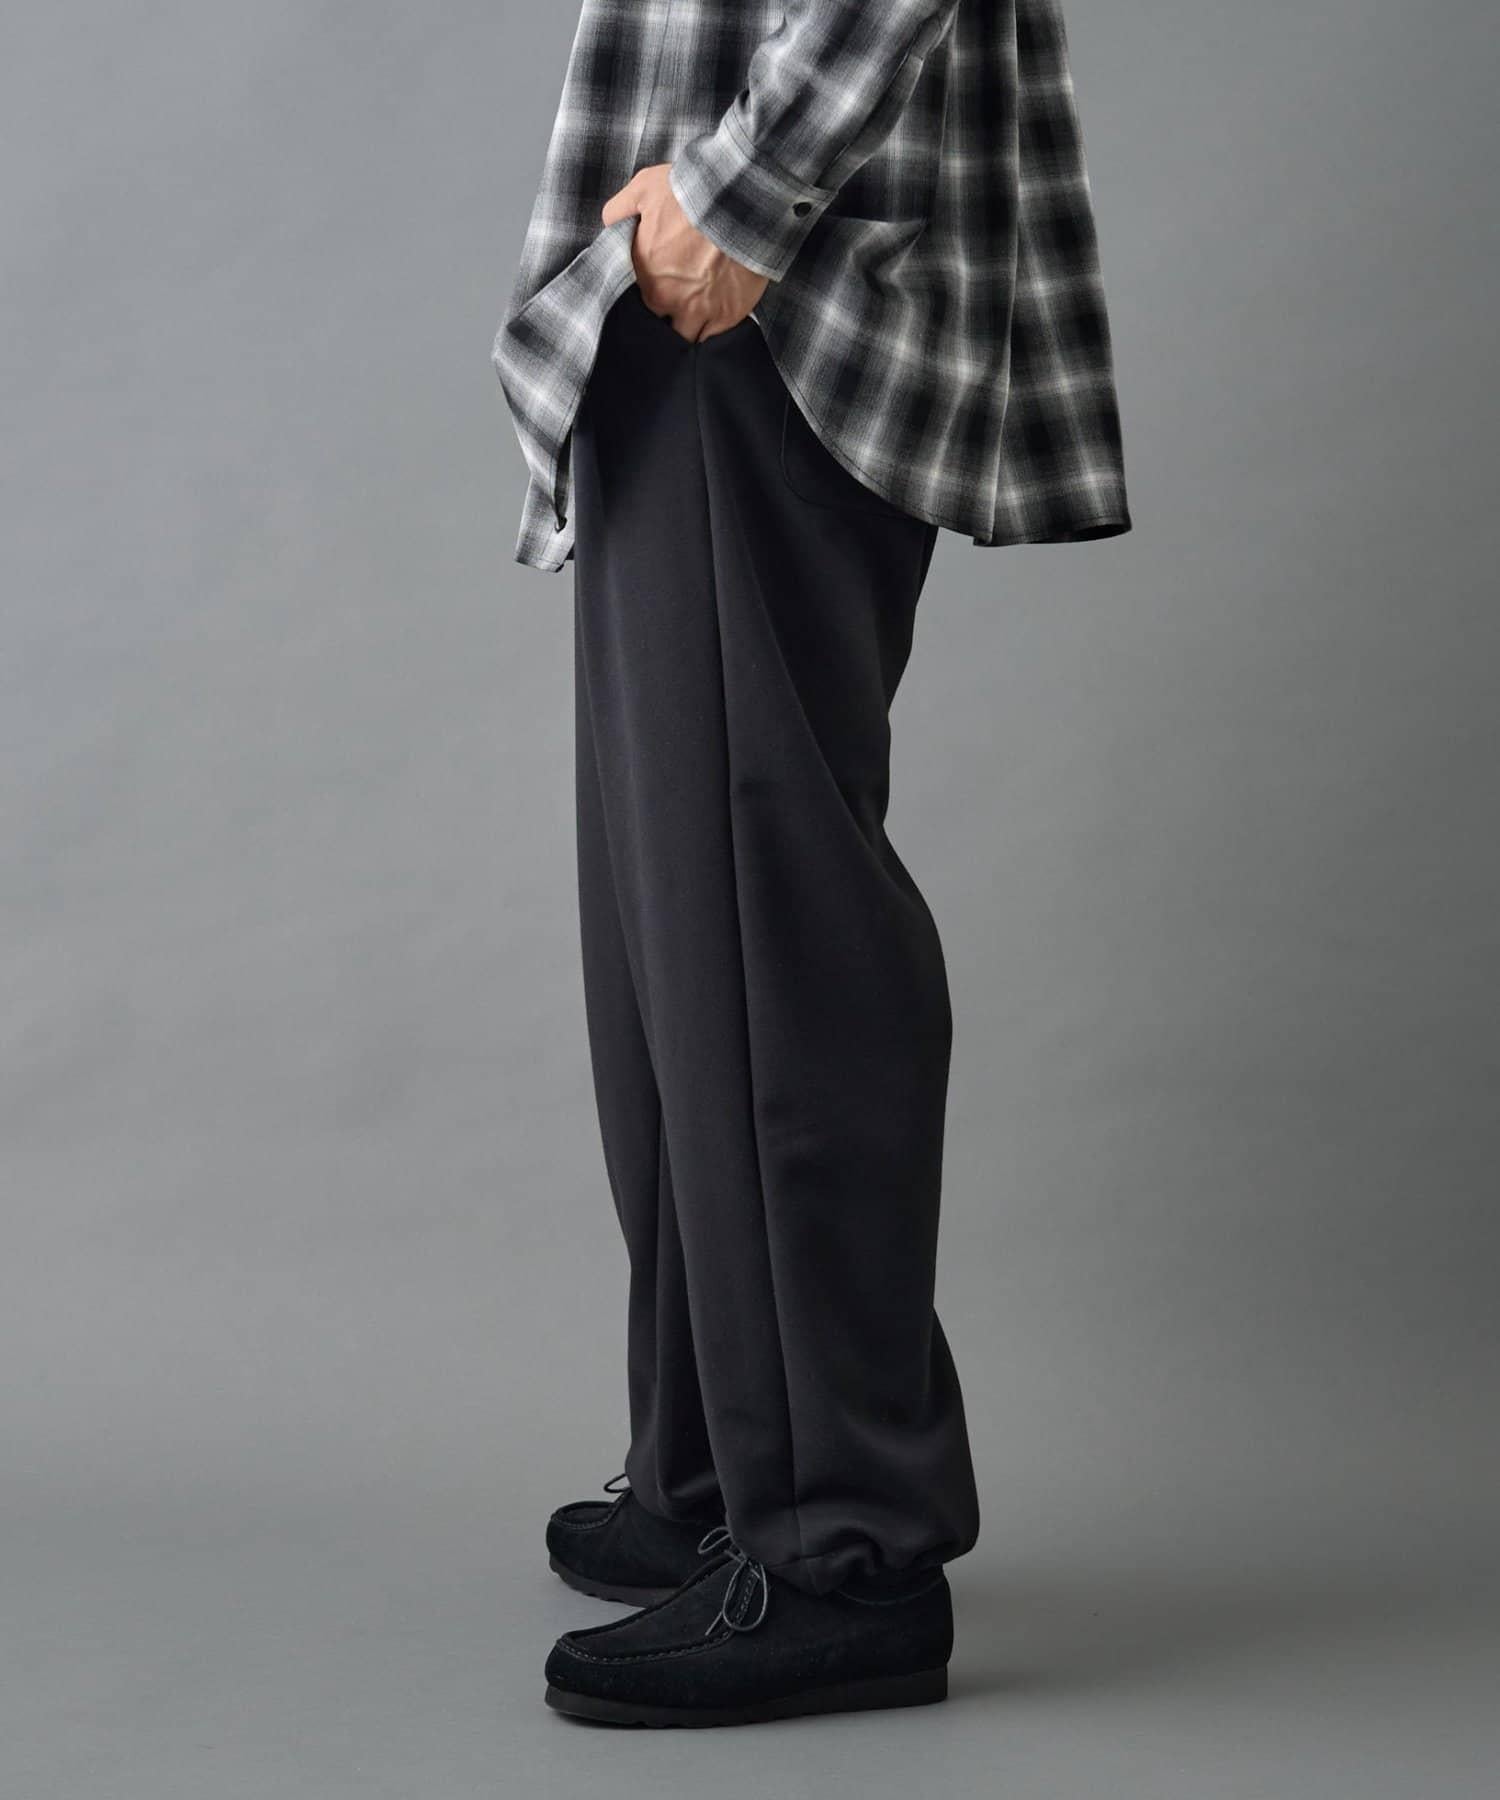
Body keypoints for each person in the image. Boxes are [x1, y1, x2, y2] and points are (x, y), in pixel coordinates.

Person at [493, 0, 1131, 1728]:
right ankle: (717, 1472)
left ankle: (844, 1540)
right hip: (695, 275)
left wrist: (742, 192)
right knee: (669, 927)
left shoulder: (751, 231)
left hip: (774, 284)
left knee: (759, 929)